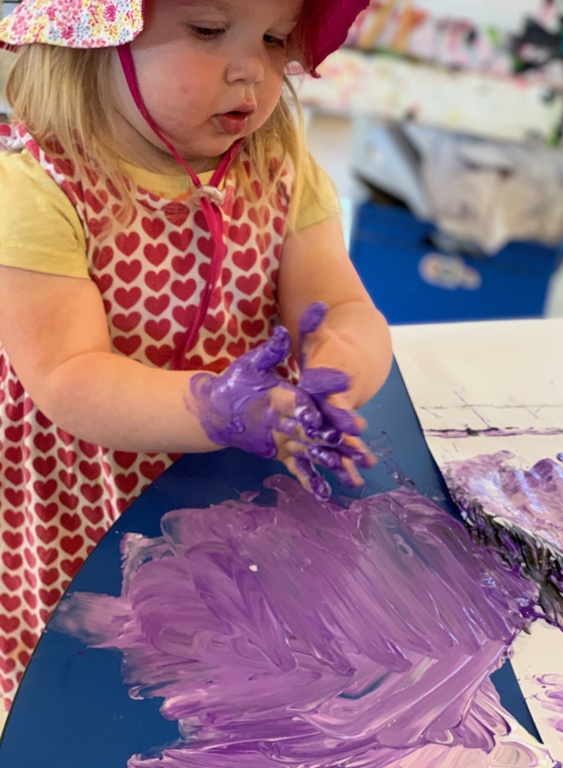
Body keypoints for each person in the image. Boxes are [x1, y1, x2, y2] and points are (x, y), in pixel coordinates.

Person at [0, 0, 392, 713]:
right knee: (86, 684)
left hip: (228, 481)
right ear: (97, 42)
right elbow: (68, 374)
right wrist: (212, 405)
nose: (252, 70)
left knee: (216, 665)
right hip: (84, 502)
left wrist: (339, 368)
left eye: (274, 39)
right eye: (209, 30)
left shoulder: (280, 171)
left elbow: (343, 306)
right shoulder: (37, 191)